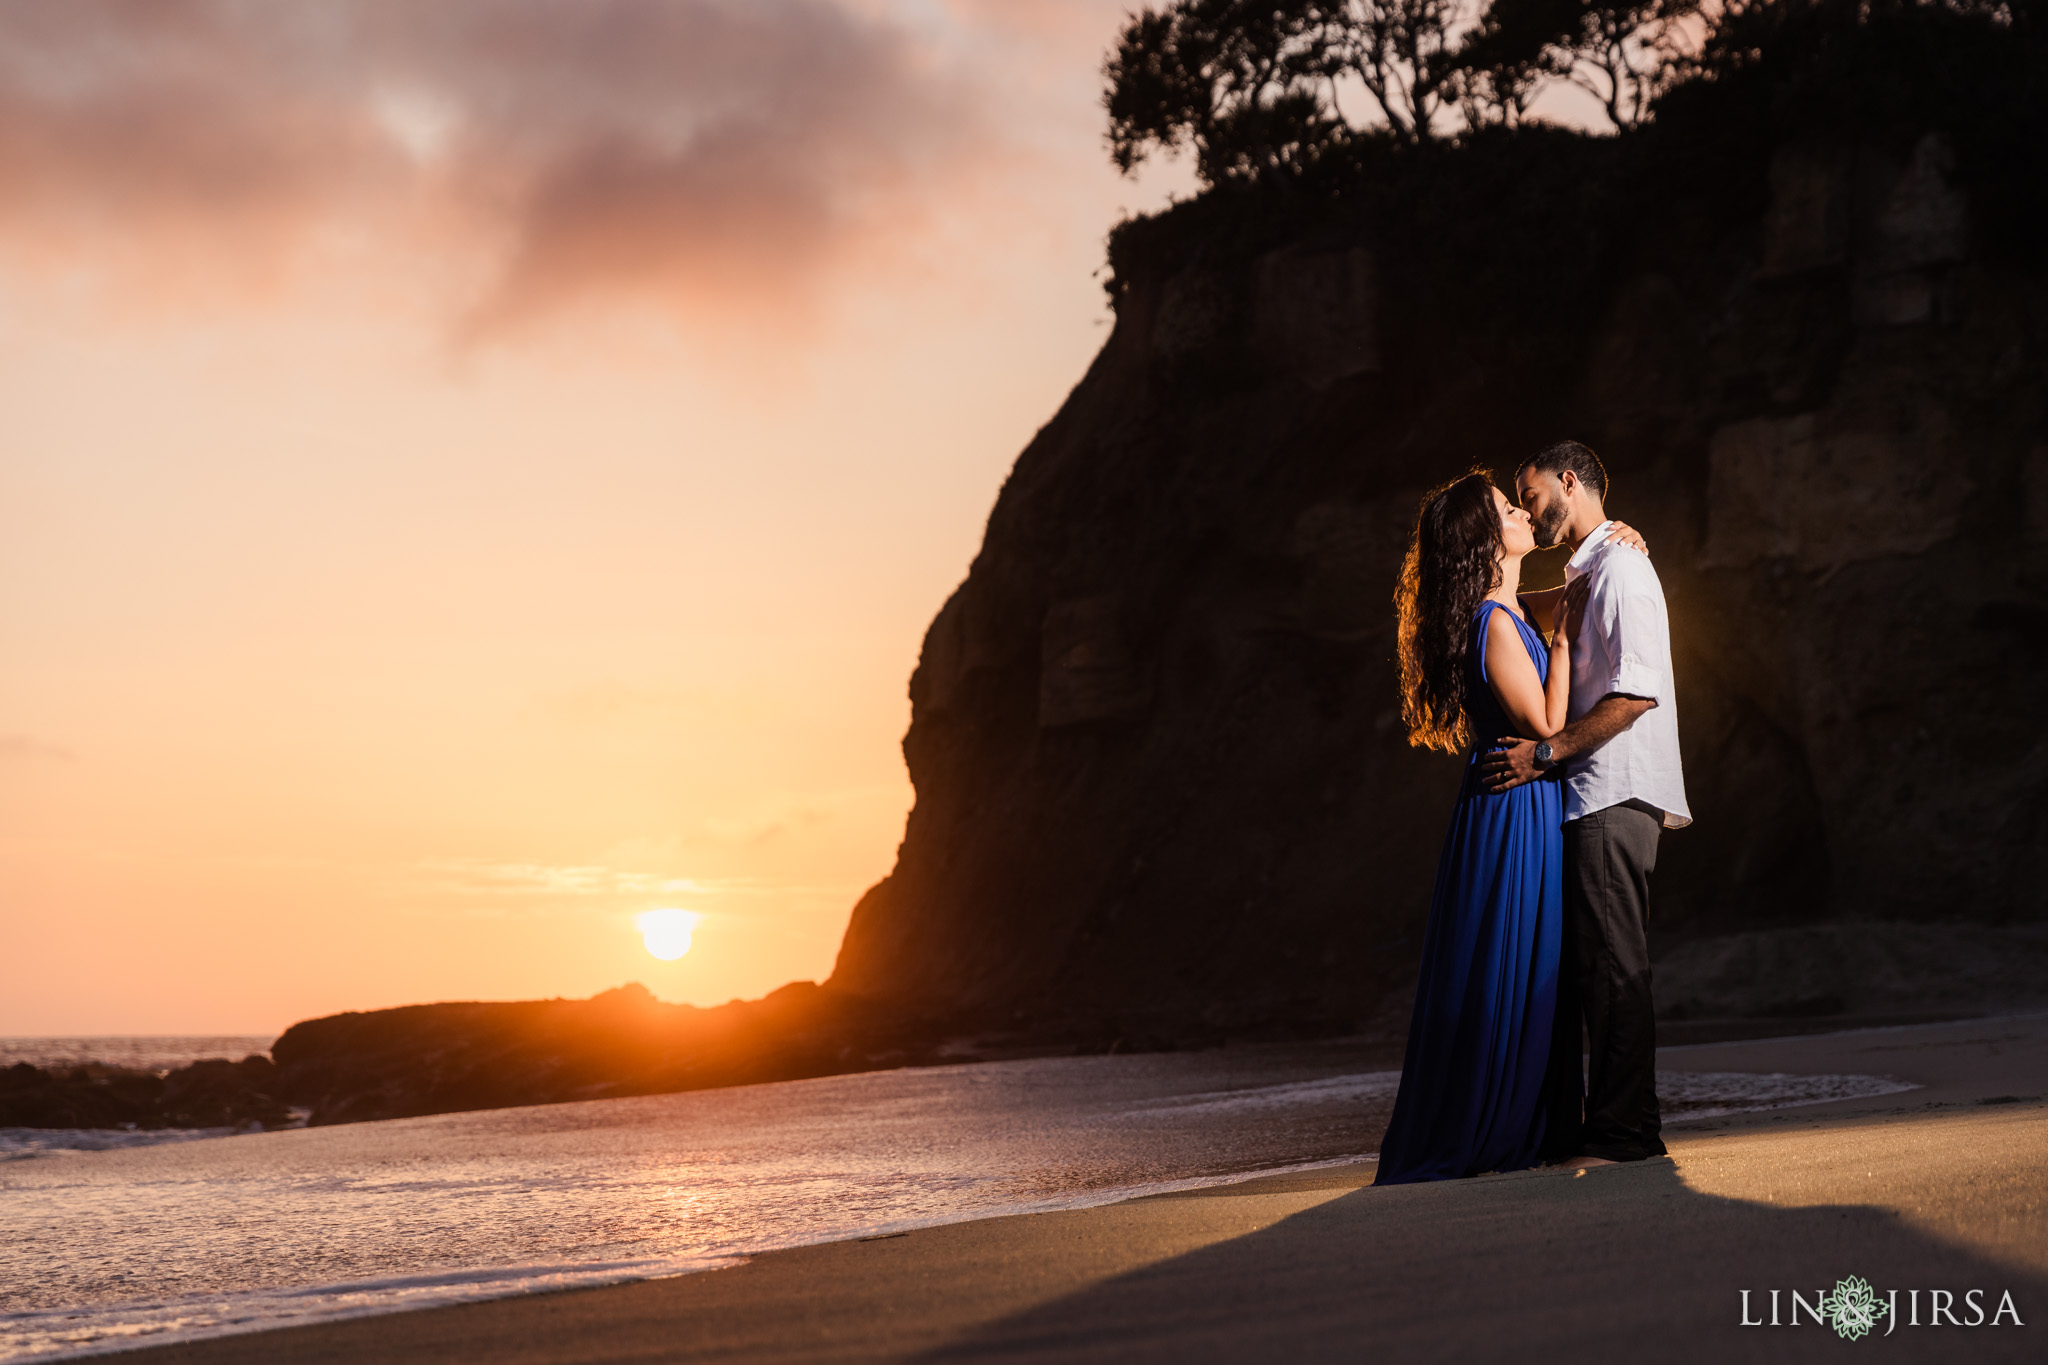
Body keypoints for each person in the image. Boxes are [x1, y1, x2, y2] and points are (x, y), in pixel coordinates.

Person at [1481, 440, 1691, 1169]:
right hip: (1595, 790)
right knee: (1599, 967)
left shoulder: (1624, 569)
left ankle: (1621, 1135)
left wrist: (1547, 750)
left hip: (1615, 788)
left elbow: (1636, 695)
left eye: (1530, 493)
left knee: (1614, 967)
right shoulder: (1593, 567)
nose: (1530, 509)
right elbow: (1506, 605)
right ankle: (1631, 1126)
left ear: (1568, 483)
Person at [1373, 471, 1585, 1184]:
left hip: (1520, 805)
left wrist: (1617, 541)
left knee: (1521, 962)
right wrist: (1561, 644)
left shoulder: (1511, 607)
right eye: (1507, 509)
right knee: (1507, 962)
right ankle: (1492, 1125)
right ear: (1485, 539)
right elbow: (1549, 723)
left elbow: (1582, 591)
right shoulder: (1496, 625)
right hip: (1510, 814)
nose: (1524, 512)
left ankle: (1523, 1115)